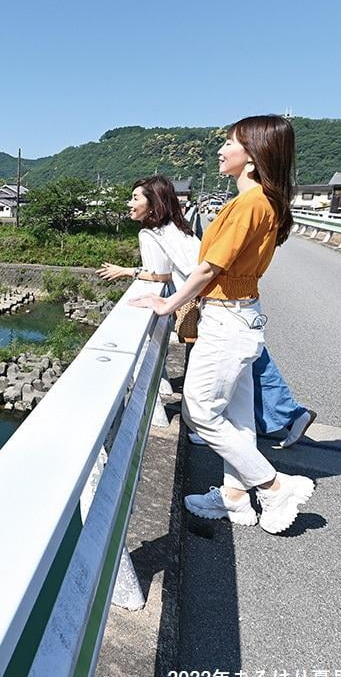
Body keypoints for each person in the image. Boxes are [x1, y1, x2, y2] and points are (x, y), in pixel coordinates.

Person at [130, 115, 315, 535]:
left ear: (252, 157)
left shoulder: (249, 203)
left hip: (226, 319)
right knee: (237, 414)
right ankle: (233, 497)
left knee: (200, 410)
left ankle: (273, 486)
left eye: (229, 143)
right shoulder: (261, 200)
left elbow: (207, 269)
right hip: (241, 315)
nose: (221, 150)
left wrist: (168, 304)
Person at [98, 176, 317, 448]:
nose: (129, 204)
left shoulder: (150, 233)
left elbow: (160, 275)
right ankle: (288, 415)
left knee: (224, 372)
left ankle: (236, 431)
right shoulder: (179, 227)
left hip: (210, 303)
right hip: (228, 299)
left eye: (135, 198)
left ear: (153, 205)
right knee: (251, 365)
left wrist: (126, 271)